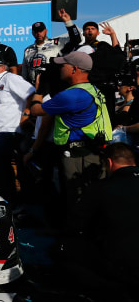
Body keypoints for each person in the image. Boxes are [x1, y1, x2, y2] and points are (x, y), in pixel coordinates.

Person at [29, 51, 112, 208]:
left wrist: (39, 90)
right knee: (92, 195)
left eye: (63, 65)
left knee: (78, 197)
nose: (60, 69)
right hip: (93, 151)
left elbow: (35, 111)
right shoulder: (93, 89)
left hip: (77, 155)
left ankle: (78, 231)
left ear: (75, 69)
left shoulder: (71, 95)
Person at [62, 142, 139, 302]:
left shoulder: (100, 189)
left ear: (109, 163)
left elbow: (76, 226)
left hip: (122, 267)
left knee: (66, 250)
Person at [0, 55, 35, 201]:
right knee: (5, 166)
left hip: (9, 130)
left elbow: (31, 92)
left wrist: (26, 114)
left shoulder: (10, 78)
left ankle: (0, 197)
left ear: (1, 66)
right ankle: (9, 199)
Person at [67, 19, 125, 124]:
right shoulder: (77, 48)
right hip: (82, 87)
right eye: (87, 29)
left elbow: (117, 53)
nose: (90, 31)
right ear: (83, 32)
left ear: (97, 32)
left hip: (102, 87)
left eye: (93, 29)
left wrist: (112, 34)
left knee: (106, 117)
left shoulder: (101, 46)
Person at [21, 13, 81, 85]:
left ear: (46, 31)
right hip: (33, 86)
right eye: (36, 31)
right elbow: (24, 73)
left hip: (53, 84)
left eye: (41, 31)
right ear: (32, 33)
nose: (39, 33)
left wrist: (68, 22)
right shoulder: (28, 50)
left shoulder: (57, 43)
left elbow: (76, 39)